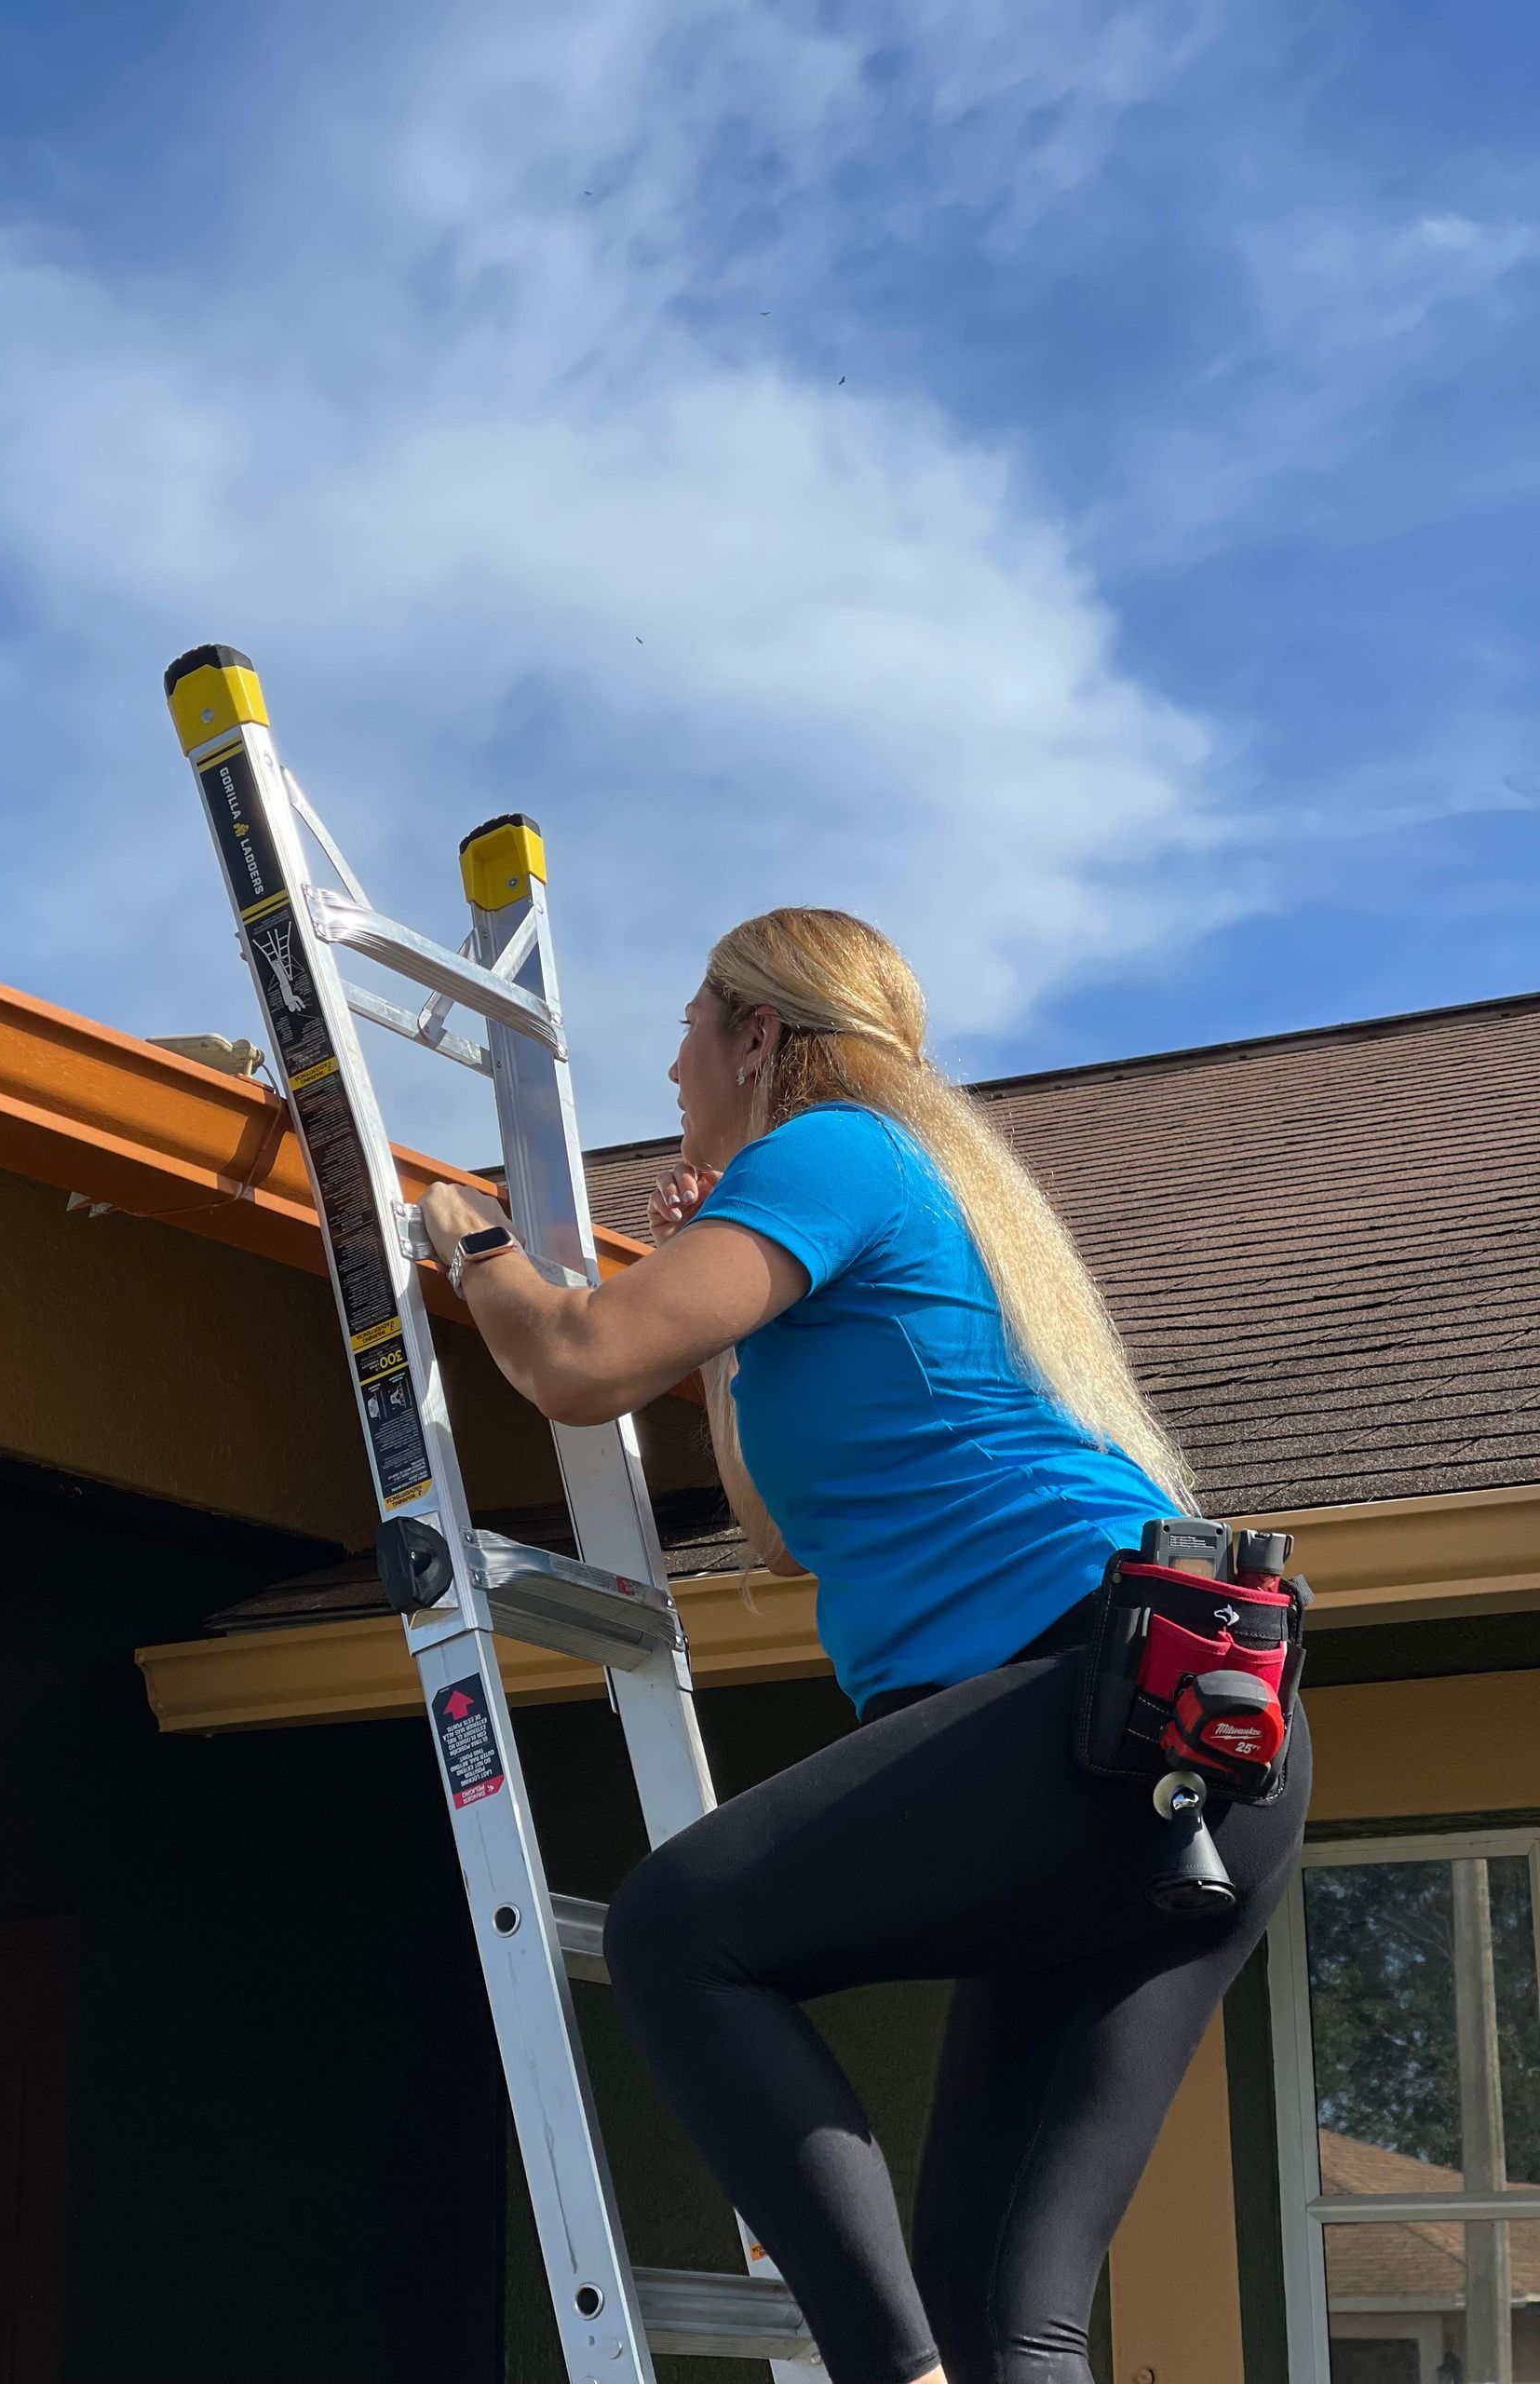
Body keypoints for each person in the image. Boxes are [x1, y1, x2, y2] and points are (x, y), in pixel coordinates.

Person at [420, 907, 1311, 2384]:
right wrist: (723, 1332)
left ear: (759, 1033)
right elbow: (779, 1536)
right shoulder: (917, 1183)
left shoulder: (829, 1151)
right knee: (1007, 2314)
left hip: (1088, 1694)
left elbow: (571, 1361)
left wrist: (474, 1239)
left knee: (677, 1931)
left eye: (689, 1036)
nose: (672, 1068)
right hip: (1203, 1733)